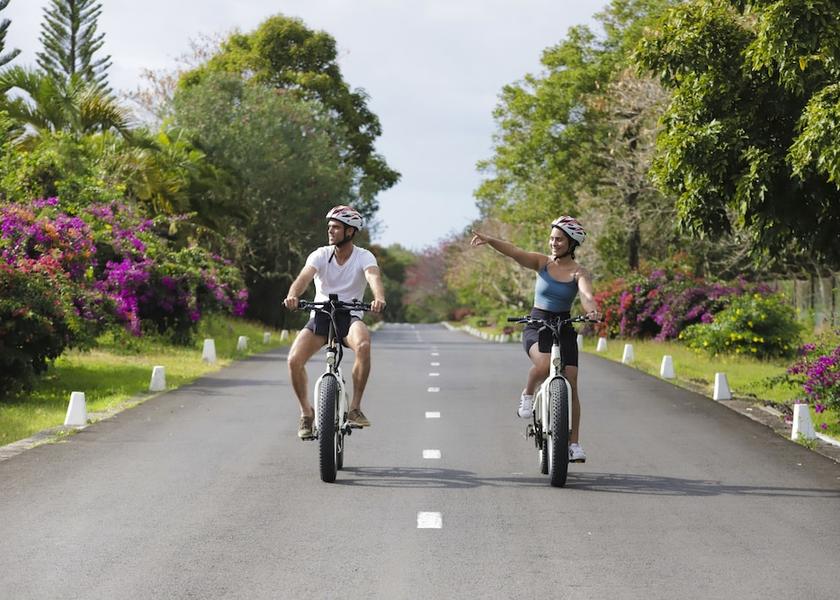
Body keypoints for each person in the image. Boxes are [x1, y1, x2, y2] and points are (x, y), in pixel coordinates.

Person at [470, 216, 599, 462]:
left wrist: (591, 309)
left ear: (572, 243)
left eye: (559, 239)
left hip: (564, 324)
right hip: (537, 323)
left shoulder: (579, 272)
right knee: (543, 364)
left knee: (571, 382)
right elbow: (514, 252)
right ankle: (528, 394)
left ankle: (574, 444)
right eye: (552, 238)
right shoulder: (542, 263)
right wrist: (490, 240)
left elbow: (586, 294)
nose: (553, 243)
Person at [283, 205, 386, 440]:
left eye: (336, 228)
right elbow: (304, 277)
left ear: (350, 232)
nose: (331, 231)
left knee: (363, 345)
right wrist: (293, 295)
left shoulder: (364, 256)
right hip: (321, 315)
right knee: (293, 360)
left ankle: (355, 408)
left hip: (349, 316)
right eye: (329, 227)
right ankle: (306, 414)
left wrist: (378, 298)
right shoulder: (320, 254)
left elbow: (373, 276)